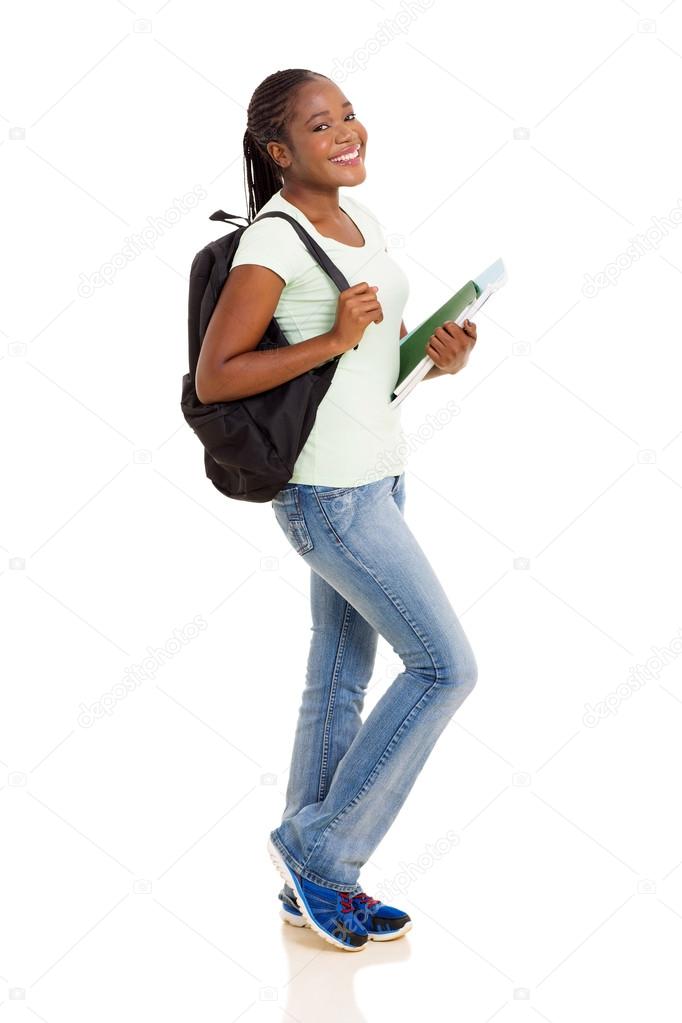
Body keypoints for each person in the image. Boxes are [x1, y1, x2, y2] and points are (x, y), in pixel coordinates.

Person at [195, 68, 479, 953]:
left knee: (344, 675)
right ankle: (318, 846)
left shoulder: (359, 222)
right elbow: (217, 377)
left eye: (350, 114)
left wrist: (438, 354)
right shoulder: (273, 243)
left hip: (381, 476)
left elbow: (375, 363)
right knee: (445, 668)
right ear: (280, 152)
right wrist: (332, 337)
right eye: (322, 125)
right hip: (330, 495)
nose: (348, 131)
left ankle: (313, 885)